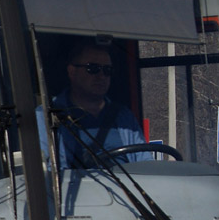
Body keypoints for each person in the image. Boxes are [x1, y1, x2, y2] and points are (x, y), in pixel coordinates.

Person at [48, 39, 146, 167]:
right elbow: (47, 171)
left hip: (127, 186)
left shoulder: (124, 117)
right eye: (93, 68)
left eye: (107, 70)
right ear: (72, 71)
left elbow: (145, 162)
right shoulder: (48, 115)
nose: (101, 76)